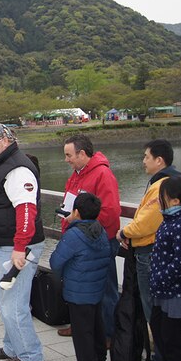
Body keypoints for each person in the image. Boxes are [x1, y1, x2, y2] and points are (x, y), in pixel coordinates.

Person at [0, 123, 46, 361]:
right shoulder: (3, 163)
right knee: (7, 301)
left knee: (13, 304)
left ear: (4, 141)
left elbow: (26, 210)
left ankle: (30, 355)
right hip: (3, 242)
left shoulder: (18, 168)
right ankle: (12, 345)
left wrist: (20, 247)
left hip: (15, 246)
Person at [116, 139, 181, 361]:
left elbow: (147, 222)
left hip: (149, 251)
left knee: (154, 310)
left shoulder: (163, 186)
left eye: (146, 157)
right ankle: (161, 359)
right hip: (152, 250)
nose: (143, 161)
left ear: (159, 160)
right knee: (159, 312)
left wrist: (125, 231)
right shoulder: (168, 182)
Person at [59, 135, 121, 342]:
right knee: (79, 288)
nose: (66, 159)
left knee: (105, 289)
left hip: (97, 241)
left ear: (82, 154)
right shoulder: (76, 174)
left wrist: (82, 227)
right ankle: (81, 326)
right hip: (78, 240)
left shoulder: (103, 174)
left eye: (69, 155)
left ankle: (108, 334)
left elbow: (110, 212)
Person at [50, 193, 111, 361]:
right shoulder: (101, 230)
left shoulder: (74, 235)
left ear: (76, 211)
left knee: (82, 331)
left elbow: (55, 262)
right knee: (97, 326)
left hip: (78, 291)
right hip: (96, 288)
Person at [148, 177, 181, 361]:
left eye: (162, 197)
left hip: (177, 292)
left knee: (174, 340)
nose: (159, 201)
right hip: (163, 290)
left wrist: (160, 278)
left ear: (175, 201)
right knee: (161, 332)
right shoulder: (170, 220)